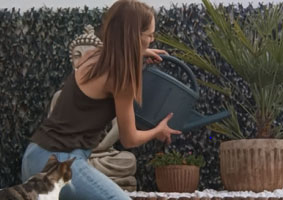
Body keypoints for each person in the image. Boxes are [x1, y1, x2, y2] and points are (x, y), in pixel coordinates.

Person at [21, 0, 181, 200]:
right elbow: (129, 138)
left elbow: (119, 48)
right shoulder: (120, 77)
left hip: (34, 155)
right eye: (149, 35)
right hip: (58, 162)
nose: (152, 39)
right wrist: (159, 130)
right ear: (134, 36)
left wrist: (140, 52)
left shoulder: (92, 57)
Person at [49, 24, 138, 191]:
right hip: (72, 154)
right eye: (78, 55)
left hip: (102, 154)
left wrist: (102, 146)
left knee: (127, 160)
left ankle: (84, 173)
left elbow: (120, 126)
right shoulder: (61, 96)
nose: (83, 60)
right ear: (72, 60)